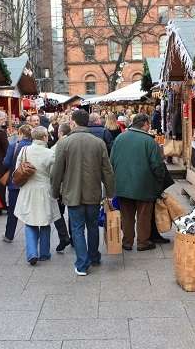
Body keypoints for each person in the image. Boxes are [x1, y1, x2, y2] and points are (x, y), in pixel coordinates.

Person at [51, 109, 115, 276]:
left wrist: (54, 191)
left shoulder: (64, 143)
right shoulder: (98, 142)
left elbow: (57, 170)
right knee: (93, 226)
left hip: (72, 193)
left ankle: (82, 263)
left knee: (77, 228)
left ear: (73, 122)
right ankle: (93, 256)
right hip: (93, 191)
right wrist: (110, 191)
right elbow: (107, 170)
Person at [110, 113, 165, 251]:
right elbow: (157, 166)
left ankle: (127, 242)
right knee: (143, 216)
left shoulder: (120, 138)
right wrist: (159, 181)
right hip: (144, 185)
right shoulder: (149, 141)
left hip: (122, 184)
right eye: (149, 124)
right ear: (145, 124)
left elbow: (111, 161)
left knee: (126, 215)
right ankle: (142, 242)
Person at [14, 126, 60, 265]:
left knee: (29, 221)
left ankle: (32, 253)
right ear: (45, 137)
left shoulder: (24, 150)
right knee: (45, 222)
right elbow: (54, 175)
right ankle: (44, 253)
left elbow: (18, 169)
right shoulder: (50, 153)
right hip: (44, 190)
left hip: (28, 189)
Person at [2, 124, 33, 242]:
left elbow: (6, 163)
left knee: (13, 210)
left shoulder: (13, 146)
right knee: (30, 209)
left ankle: (9, 235)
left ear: (20, 133)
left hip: (14, 183)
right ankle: (32, 234)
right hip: (29, 183)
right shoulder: (33, 146)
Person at [51, 123, 73, 251]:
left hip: (60, 186)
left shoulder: (57, 147)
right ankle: (74, 238)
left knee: (57, 213)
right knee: (72, 212)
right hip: (72, 184)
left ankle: (64, 236)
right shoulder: (73, 144)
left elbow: (54, 170)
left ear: (60, 133)